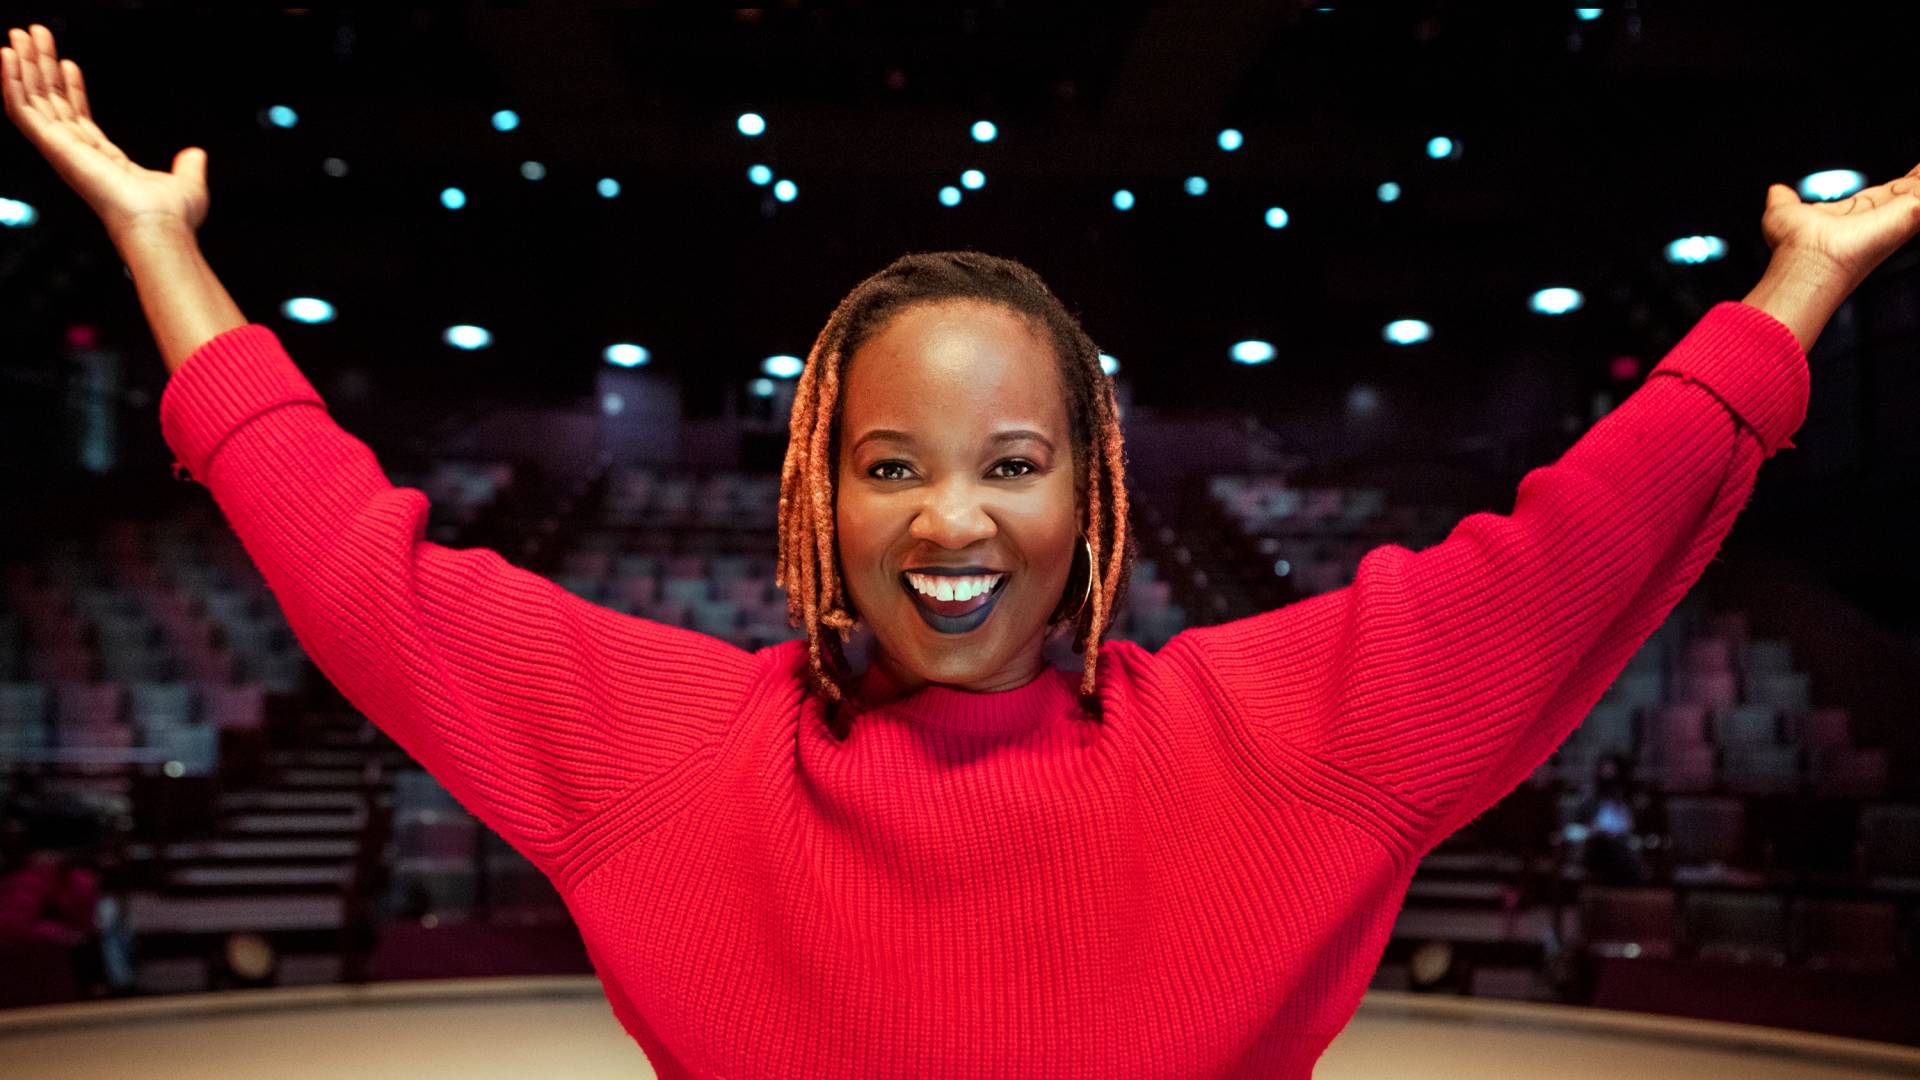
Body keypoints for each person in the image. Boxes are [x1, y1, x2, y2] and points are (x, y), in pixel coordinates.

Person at [6, 22, 1914, 1079]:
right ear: (811, 503)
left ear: (1091, 497)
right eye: (888, 466)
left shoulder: (1306, 732)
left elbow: (1579, 543)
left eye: (1012, 463)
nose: (949, 520)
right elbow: (351, 562)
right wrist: (163, 247)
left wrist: (1792, 293)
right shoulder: (661, 750)